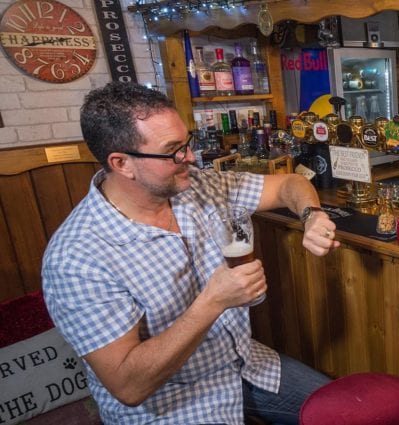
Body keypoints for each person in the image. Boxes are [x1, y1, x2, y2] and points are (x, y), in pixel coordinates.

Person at [42, 81, 341, 424]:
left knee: (352, 412)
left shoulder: (196, 185)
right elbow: (128, 385)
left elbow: (291, 184)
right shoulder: (77, 257)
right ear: (122, 163)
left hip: (243, 365)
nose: (190, 157)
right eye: (173, 151)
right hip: (170, 404)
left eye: (187, 143)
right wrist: (213, 302)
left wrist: (311, 215)